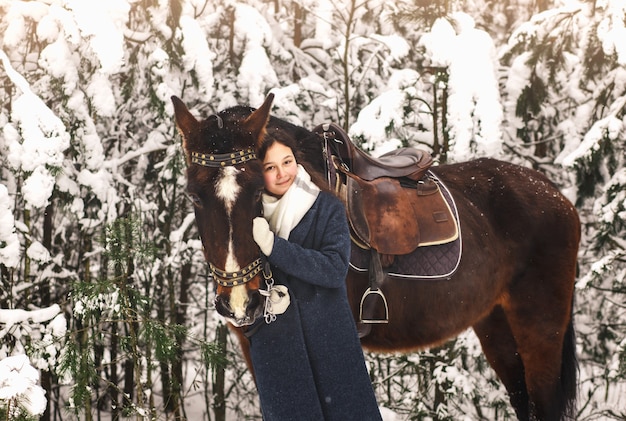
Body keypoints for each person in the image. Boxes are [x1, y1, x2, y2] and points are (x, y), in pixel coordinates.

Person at [248, 133, 382, 421]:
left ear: (298, 161)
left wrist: (274, 246)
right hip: (279, 345)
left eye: (287, 161)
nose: (282, 172)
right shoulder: (251, 216)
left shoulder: (326, 207)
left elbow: (334, 269)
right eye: (270, 167)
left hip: (328, 337)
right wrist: (263, 299)